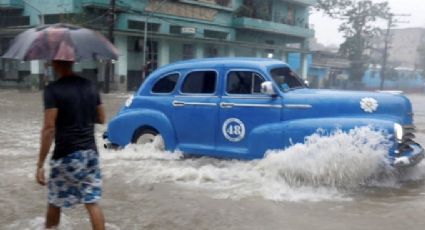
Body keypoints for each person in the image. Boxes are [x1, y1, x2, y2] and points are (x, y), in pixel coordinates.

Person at [36, 60, 106, 230]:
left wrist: (40, 164)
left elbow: (49, 128)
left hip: (66, 153)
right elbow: (101, 118)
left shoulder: (53, 90)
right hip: (90, 154)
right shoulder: (90, 86)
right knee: (92, 202)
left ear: (55, 64)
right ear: (73, 62)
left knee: (55, 201)